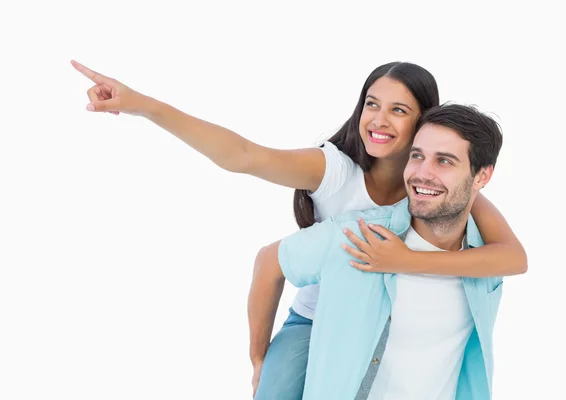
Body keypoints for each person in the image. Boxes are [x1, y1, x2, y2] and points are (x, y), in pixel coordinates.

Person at [71, 60, 527, 398]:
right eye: (371, 104)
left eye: (398, 110)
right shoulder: (336, 170)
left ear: (424, 122)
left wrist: (406, 261)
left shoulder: (438, 189)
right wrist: (144, 106)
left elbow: (513, 257)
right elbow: (242, 156)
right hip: (315, 319)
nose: (379, 120)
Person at [260, 103, 513, 399]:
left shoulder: (486, 258)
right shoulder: (361, 236)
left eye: (444, 161)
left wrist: (410, 261)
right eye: (417, 156)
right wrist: (257, 359)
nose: (422, 173)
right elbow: (269, 261)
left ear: (482, 176)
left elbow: (518, 260)